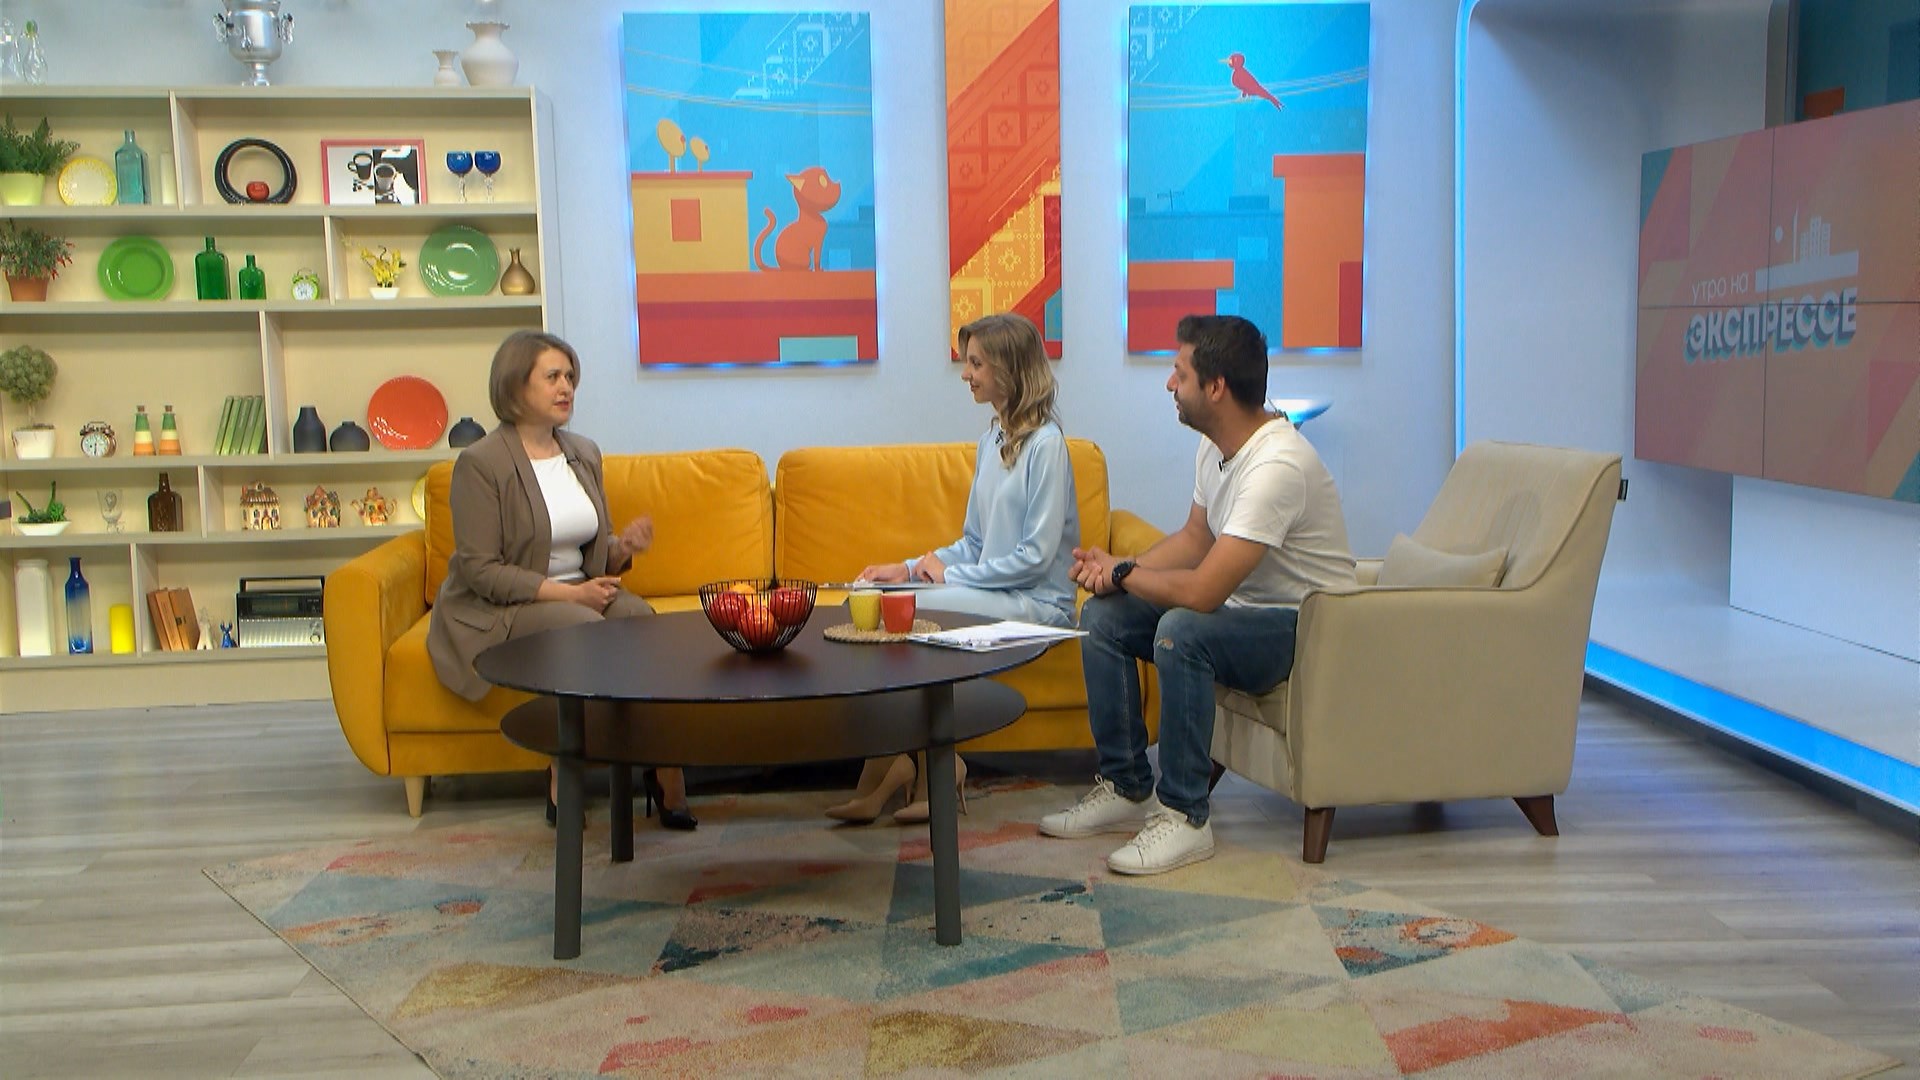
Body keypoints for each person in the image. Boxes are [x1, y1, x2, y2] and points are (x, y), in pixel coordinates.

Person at [1039, 314, 1354, 874]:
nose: (1169, 384)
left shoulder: (1277, 464)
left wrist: (1123, 571)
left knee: (1181, 631)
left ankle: (1185, 817)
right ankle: (1125, 784)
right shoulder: (1217, 447)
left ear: (1216, 387)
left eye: (1179, 373)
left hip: (1305, 628)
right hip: (1245, 615)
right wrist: (1115, 571)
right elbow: (1194, 539)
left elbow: (1204, 592)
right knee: (1105, 617)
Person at [426, 329, 696, 831]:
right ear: (515, 386)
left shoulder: (583, 452)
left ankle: (664, 767)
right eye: (552, 377)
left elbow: (593, 553)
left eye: (570, 377)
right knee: (583, 630)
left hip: (578, 591)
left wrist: (622, 548)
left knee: (643, 623)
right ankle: (562, 773)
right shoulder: (481, 464)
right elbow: (481, 571)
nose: (566, 387)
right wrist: (571, 595)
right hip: (503, 606)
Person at [829, 312, 1080, 825]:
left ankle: (921, 768)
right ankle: (897, 763)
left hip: (1037, 602)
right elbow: (974, 543)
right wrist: (905, 568)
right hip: (995, 590)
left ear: (1009, 369)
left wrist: (951, 577)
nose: (966, 374)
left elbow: (1035, 558)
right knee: (879, 598)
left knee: (905, 613)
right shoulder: (992, 441)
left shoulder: (1047, 446)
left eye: (976, 364)